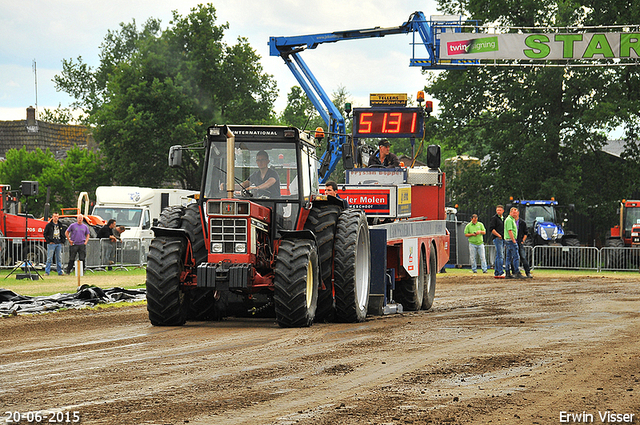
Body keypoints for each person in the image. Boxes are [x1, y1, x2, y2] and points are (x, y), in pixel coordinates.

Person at [504, 207, 525, 279]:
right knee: (516, 256)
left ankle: (507, 272)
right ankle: (517, 272)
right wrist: (513, 240)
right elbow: (510, 231)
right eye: (513, 212)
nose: (515, 214)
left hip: (508, 240)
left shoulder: (511, 219)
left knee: (508, 257)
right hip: (511, 240)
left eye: (516, 212)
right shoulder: (509, 220)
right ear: (510, 213)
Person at [514, 209, 533, 278]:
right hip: (512, 242)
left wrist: (523, 240)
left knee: (523, 257)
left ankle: (528, 272)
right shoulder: (510, 221)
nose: (514, 214)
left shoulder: (522, 222)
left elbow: (526, 233)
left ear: (518, 213)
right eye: (513, 213)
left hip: (519, 242)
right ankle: (514, 272)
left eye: (515, 213)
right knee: (513, 258)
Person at [488, 205, 506, 278]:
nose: (498, 211)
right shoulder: (494, 218)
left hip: (502, 238)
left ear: (503, 211)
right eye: (497, 210)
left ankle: (497, 272)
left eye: (500, 210)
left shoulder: (503, 219)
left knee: (499, 255)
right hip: (497, 238)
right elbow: (491, 229)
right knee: (500, 255)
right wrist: (498, 235)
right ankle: (500, 271)